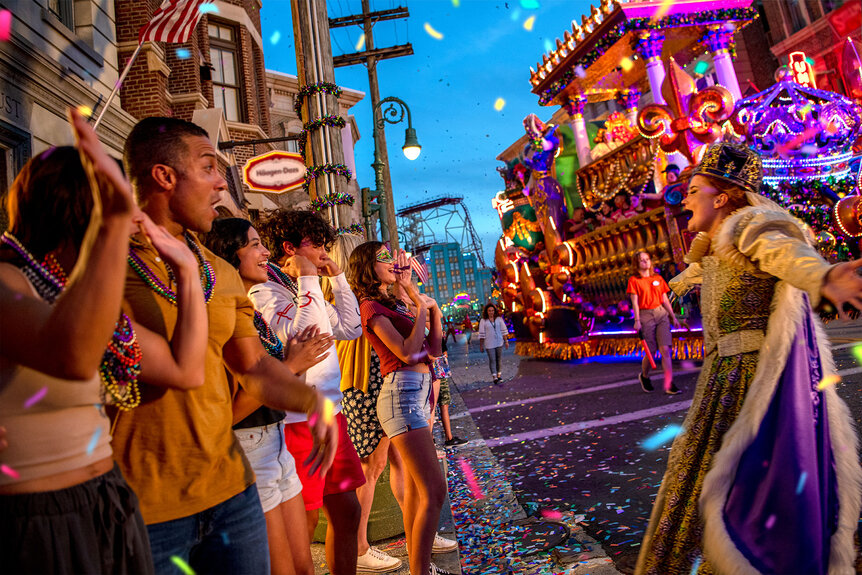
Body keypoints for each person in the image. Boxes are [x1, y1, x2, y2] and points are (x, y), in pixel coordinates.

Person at [117, 117, 338, 575]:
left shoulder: (221, 270)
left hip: (232, 488)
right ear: (164, 176)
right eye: (208, 167)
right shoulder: (107, 260)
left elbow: (254, 368)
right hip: (145, 505)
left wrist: (314, 403)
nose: (221, 182)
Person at [635, 141, 862, 574]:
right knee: (709, 477)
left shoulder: (750, 225)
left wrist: (825, 276)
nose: (684, 197)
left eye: (693, 189)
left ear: (721, 197)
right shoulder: (720, 244)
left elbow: (784, 253)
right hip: (721, 379)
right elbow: (704, 269)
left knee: (756, 488)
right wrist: (676, 283)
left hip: (751, 382)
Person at [0, 110, 169, 574]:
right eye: (120, 201)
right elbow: (73, 356)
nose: (136, 219)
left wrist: (191, 275)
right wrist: (114, 223)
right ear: (80, 210)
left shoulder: (77, 288)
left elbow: (182, 370)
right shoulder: (7, 278)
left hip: (107, 499)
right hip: (37, 521)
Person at [201, 218, 336, 575]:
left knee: (304, 566)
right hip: (248, 448)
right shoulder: (222, 313)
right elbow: (232, 410)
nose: (266, 254)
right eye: (256, 245)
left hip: (276, 442)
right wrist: (291, 367)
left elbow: (279, 378)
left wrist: (298, 374)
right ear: (231, 257)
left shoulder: (249, 313)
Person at [252, 210, 365, 575]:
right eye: (315, 244)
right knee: (307, 521)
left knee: (348, 509)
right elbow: (307, 335)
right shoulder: (264, 291)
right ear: (290, 247)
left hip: (332, 414)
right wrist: (310, 280)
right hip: (298, 422)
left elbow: (349, 327)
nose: (322, 251)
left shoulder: (300, 287)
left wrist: (338, 278)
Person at [348, 242, 451, 575]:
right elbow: (407, 352)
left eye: (393, 255)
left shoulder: (396, 302)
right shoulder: (370, 306)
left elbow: (433, 350)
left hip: (418, 394)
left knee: (420, 490)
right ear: (367, 266)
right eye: (384, 257)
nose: (393, 262)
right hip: (401, 396)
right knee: (434, 491)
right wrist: (419, 303)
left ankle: (422, 567)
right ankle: (420, 571)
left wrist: (430, 308)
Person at [325, 232, 404, 573]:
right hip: (363, 386)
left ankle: (417, 531)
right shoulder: (360, 300)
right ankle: (359, 547)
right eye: (383, 257)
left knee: (391, 462)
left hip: (377, 383)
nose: (391, 262)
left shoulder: (372, 296)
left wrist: (406, 285)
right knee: (371, 467)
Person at [627, 251, 681, 395]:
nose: (645, 262)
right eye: (642, 260)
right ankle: (644, 376)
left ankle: (669, 384)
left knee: (665, 350)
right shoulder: (634, 280)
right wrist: (637, 320)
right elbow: (635, 302)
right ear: (636, 264)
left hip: (660, 313)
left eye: (647, 259)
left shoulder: (657, 278)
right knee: (651, 351)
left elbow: (664, 299)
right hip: (645, 315)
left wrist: (673, 316)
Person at [433, 336, 466, 447]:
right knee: (441, 403)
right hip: (437, 370)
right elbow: (441, 348)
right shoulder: (429, 322)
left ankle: (445, 437)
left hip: (436, 369)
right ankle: (447, 437)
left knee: (435, 405)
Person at [478, 303, 509, 384]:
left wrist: (506, 341)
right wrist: (481, 345)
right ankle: (494, 377)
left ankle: (499, 375)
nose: (491, 312)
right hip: (489, 343)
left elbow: (503, 331)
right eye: (489, 311)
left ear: (494, 311)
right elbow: (482, 334)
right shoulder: (483, 321)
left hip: (499, 342)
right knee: (492, 359)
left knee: (499, 359)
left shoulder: (499, 319)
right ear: (486, 312)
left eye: (492, 310)